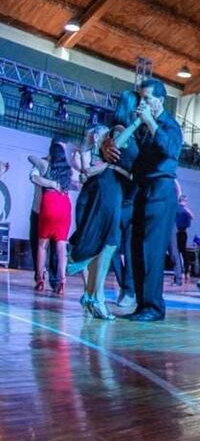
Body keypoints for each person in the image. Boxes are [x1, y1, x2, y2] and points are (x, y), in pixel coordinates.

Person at [104, 78, 183, 322]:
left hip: (161, 191)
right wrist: (106, 144)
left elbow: (170, 150)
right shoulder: (139, 126)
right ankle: (141, 303)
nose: (142, 104)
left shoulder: (170, 125)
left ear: (160, 100)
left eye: (147, 99)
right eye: (140, 99)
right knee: (136, 248)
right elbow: (127, 152)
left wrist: (150, 122)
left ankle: (154, 307)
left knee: (152, 250)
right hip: (141, 188)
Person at [67, 98, 142, 319]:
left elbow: (123, 167)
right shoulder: (120, 128)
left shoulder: (129, 132)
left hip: (114, 188)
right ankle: (95, 298)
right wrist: (137, 123)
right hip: (108, 188)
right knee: (108, 244)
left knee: (107, 245)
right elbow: (117, 147)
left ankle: (92, 297)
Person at [31, 140, 75, 296]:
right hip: (64, 204)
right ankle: (62, 281)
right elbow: (76, 183)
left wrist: (46, 159)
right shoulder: (68, 170)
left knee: (42, 244)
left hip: (49, 202)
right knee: (61, 246)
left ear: (51, 153)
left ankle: (40, 279)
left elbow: (30, 157)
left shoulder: (45, 165)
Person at [28, 150, 62, 291]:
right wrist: (52, 183)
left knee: (55, 248)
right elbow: (33, 177)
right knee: (37, 245)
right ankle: (39, 276)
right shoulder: (41, 163)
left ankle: (55, 280)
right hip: (38, 211)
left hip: (54, 213)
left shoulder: (62, 167)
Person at [174, 194, 193, 282]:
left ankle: (182, 271)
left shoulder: (182, 210)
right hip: (181, 232)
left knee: (178, 252)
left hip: (179, 233)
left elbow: (191, 217)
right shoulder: (183, 210)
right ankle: (185, 271)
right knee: (181, 252)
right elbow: (192, 218)